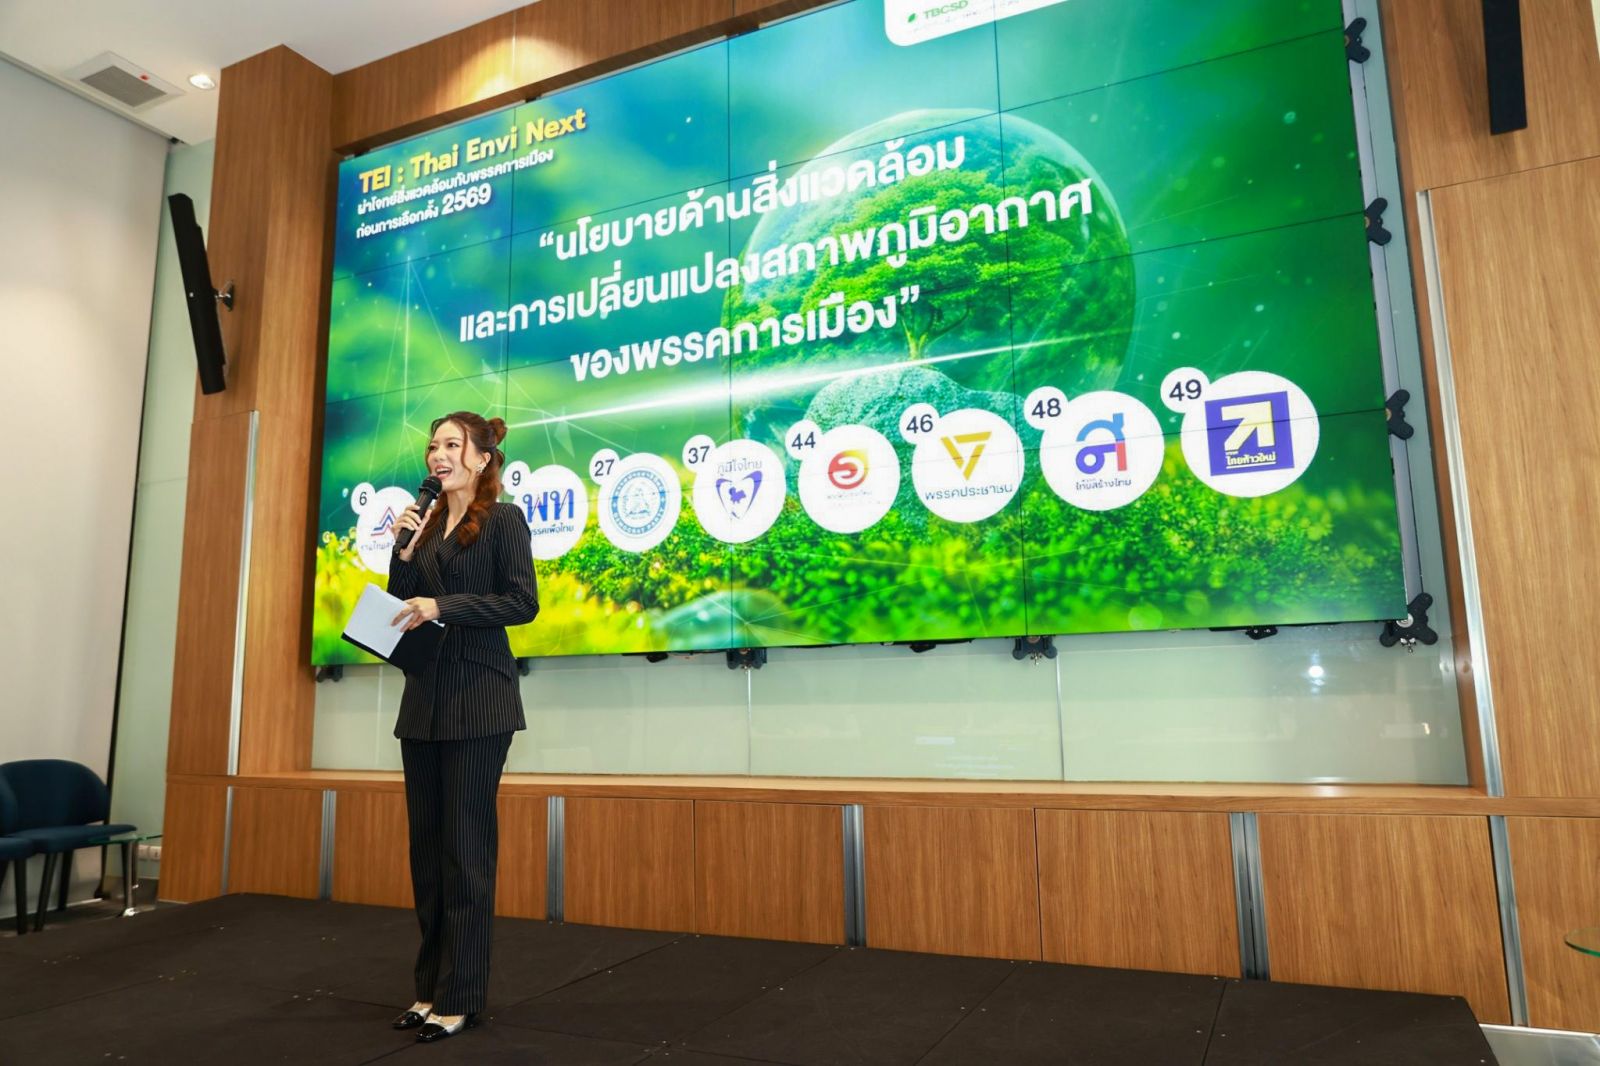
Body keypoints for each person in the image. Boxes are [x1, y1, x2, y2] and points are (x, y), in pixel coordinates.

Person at [383, 411, 539, 1044]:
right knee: (427, 854)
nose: (437, 455)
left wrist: (442, 605)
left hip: (478, 702)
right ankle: (428, 989)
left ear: (481, 458)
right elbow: (400, 604)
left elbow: (522, 602)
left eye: (452, 444)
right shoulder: (422, 525)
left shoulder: (504, 520)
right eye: (432, 446)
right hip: (423, 703)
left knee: (466, 853)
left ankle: (461, 996)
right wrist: (401, 551)